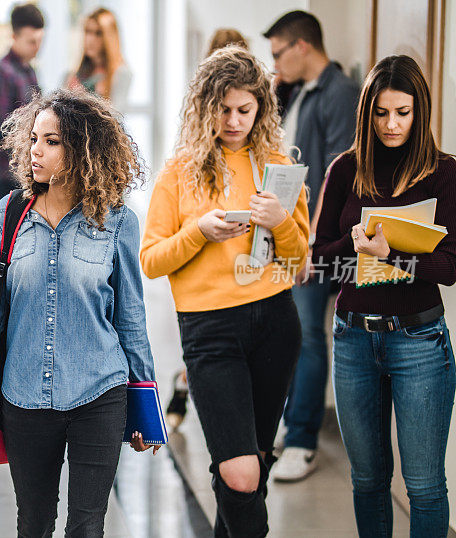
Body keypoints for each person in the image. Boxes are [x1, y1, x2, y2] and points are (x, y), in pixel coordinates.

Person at [0, 89, 157, 537]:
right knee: (33, 524)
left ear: (84, 150)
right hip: (24, 396)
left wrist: (144, 406)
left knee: (87, 527)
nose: (35, 150)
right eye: (33, 138)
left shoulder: (117, 222)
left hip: (99, 392)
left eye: (51, 141)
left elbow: (130, 319)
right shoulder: (8, 216)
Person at [140, 46, 309, 537]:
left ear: (261, 108)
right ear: (204, 105)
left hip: (275, 321)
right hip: (210, 330)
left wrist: (281, 223)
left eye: (245, 110)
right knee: (240, 473)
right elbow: (151, 261)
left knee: (252, 464)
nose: (234, 121)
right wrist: (199, 233)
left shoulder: (277, 167)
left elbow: (300, 262)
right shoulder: (179, 172)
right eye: (223, 109)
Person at [314, 55, 456, 538]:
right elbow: (319, 260)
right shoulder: (345, 168)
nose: (391, 124)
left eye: (403, 112)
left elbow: (452, 267)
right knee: (368, 480)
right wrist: (355, 244)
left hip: (419, 341)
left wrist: (392, 252)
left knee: (424, 486)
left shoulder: (444, 173)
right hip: (353, 341)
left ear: (420, 113)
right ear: (366, 112)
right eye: (381, 112)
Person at [263, 10, 360, 482]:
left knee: (306, 332)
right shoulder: (303, 92)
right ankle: (292, 426)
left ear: (302, 45)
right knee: (293, 331)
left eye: (279, 52)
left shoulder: (339, 92)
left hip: (320, 241)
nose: (276, 64)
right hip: (297, 235)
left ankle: (302, 439)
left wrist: (312, 244)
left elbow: (341, 176)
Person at [164, 30, 250, 431]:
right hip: (202, 290)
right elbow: (155, 254)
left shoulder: (258, 141)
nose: (233, 119)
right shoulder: (188, 155)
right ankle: (184, 385)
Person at [0, 3, 44, 206]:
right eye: (31, 42)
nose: (37, 48)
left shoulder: (30, 71)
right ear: (14, 37)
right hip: (4, 176)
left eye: (40, 41)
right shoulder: (1, 74)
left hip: (25, 173)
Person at [65, 8, 131, 111]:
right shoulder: (76, 73)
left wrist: (84, 99)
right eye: (87, 31)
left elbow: (116, 117)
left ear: (109, 37)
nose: (90, 39)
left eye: (98, 33)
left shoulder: (121, 73)